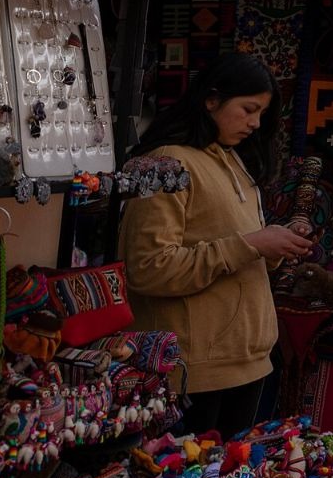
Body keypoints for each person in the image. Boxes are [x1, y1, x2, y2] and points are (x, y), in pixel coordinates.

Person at [121, 54, 309, 437]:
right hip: (192, 370)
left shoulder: (233, 160)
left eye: (261, 113)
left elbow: (238, 249)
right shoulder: (166, 162)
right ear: (211, 100)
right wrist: (250, 244)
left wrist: (275, 243)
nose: (255, 123)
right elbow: (149, 268)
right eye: (248, 109)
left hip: (247, 361)